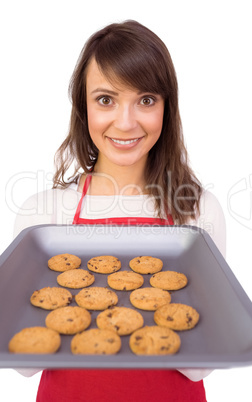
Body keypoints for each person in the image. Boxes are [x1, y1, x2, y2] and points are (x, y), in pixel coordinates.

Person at [14, 20, 226, 402]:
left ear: (166, 107)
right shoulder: (44, 213)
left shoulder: (196, 210)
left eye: (146, 100)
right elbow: (24, 364)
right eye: (106, 99)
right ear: (84, 107)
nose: (125, 122)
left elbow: (199, 366)